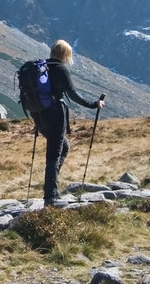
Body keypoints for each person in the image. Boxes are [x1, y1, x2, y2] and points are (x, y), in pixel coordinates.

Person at [33, 40, 103, 204]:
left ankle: (51, 186)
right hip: (55, 115)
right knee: (54, 154)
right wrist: (94, 104)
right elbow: (73, 95)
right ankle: (50, 195)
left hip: (39, 116)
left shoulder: (40, 68)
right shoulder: (60, 69)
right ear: (65, 54)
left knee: (63, 146)